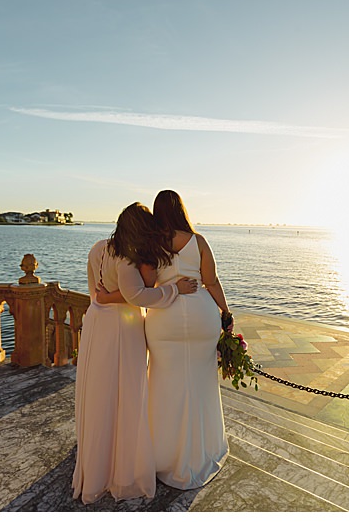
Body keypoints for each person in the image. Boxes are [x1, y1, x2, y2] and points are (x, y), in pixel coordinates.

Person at [72, 202, 198, 504]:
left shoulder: (98, 248)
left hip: (95, 325)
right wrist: (175, 290)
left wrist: (105, 297)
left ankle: (96, 462)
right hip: (121, 331)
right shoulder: (127, 257)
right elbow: (137, 296)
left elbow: (95, 294)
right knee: (125, 394)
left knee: (99, 393)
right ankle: (119, 467)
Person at [145, 190, 231, 489]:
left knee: (164, 383)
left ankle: (163, 455)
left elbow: (145, 285)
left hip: (164, 318)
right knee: (201, 383)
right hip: (201, 316)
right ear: (181, 209)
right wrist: (226, 311)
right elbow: (212, 281)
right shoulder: (199, 241)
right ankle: (201, 451)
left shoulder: (150, 243)